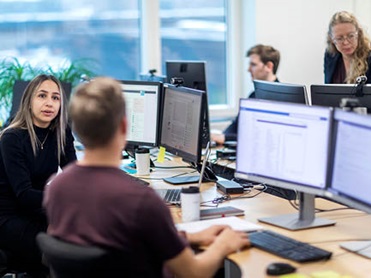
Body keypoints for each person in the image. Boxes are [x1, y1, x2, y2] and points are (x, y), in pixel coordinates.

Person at [43, 77, 250, 277]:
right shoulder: (141, 201)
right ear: (124, 127)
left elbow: (112, 240)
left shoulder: (56, 187)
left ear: (77, 128)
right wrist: (223, 245)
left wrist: (190, 237)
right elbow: (194, 272)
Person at [0, 74, 77, 275]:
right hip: (10, 216)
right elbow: (24, 195)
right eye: (42, 96)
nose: (49, 103)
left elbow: (75, 176)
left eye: (55, 97)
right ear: (29, 101)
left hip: (39, 210)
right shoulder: (12, 138)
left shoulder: (61, 132)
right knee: (68, 247)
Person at [211, 44, 280, 145]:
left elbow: (258, 135)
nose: (248, 69)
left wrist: (225, 138)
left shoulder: (282, 99)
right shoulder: (253, 95)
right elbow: (237, 125)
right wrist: (220, 137)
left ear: (269, 66)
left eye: (253, 64)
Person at [325, 11, 371, 84]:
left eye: (351, 36)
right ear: (332, 39)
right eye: (339, 38)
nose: (346, 42)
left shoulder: (369, 57)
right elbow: (327, 90)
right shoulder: (330, 55)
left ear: (358, 34)